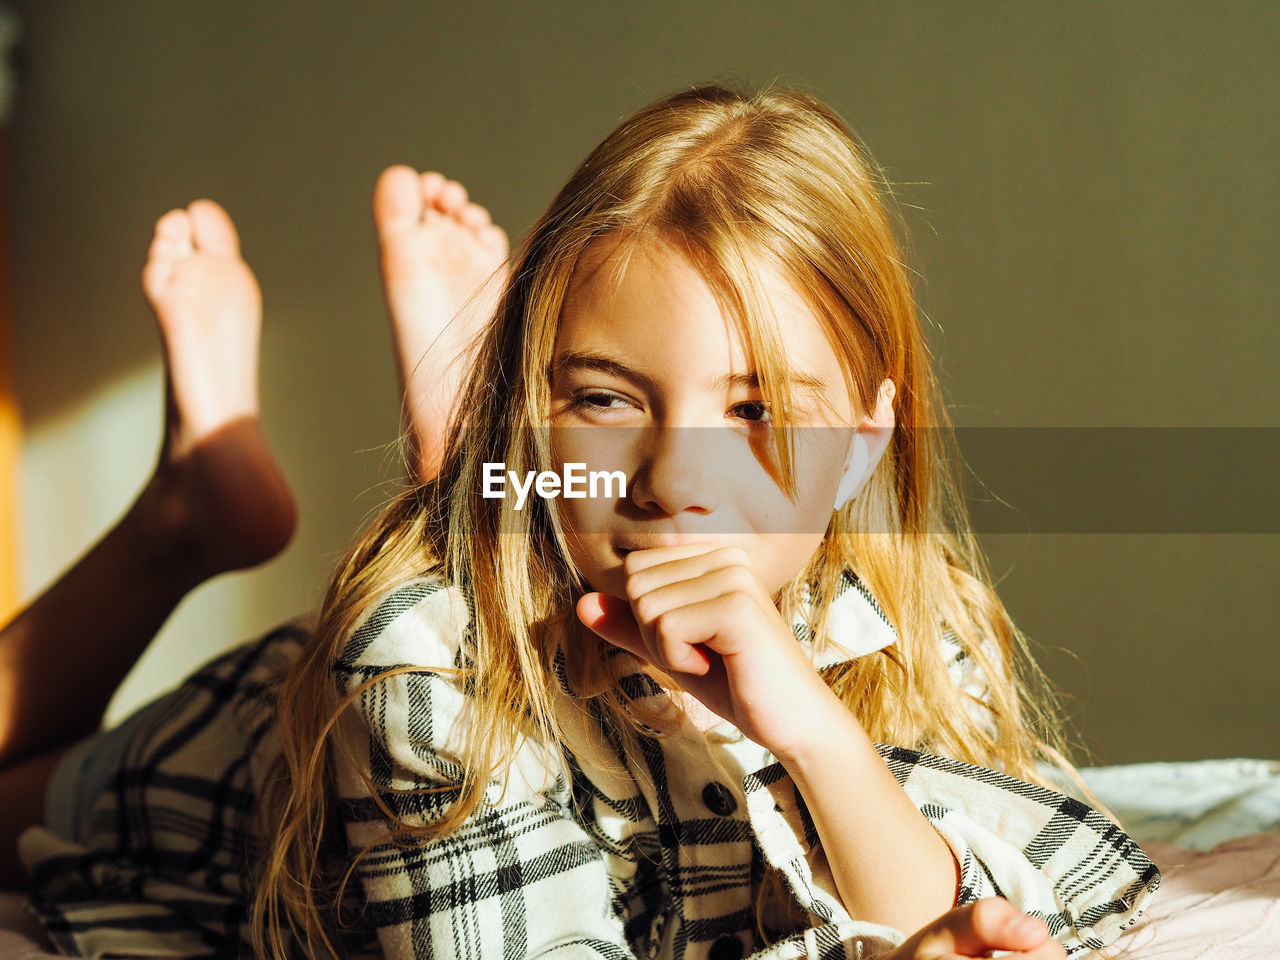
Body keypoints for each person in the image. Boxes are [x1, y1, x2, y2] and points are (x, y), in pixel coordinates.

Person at [3, 85, 1158, 960]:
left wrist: (816, 735)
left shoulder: (900, 606)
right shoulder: (421, 656)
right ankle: (190, 514)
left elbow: (1068, 881)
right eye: (603, 399)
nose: (674, 479)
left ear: (861, 438)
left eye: (754, 410)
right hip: (239, 774)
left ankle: (469, 474)